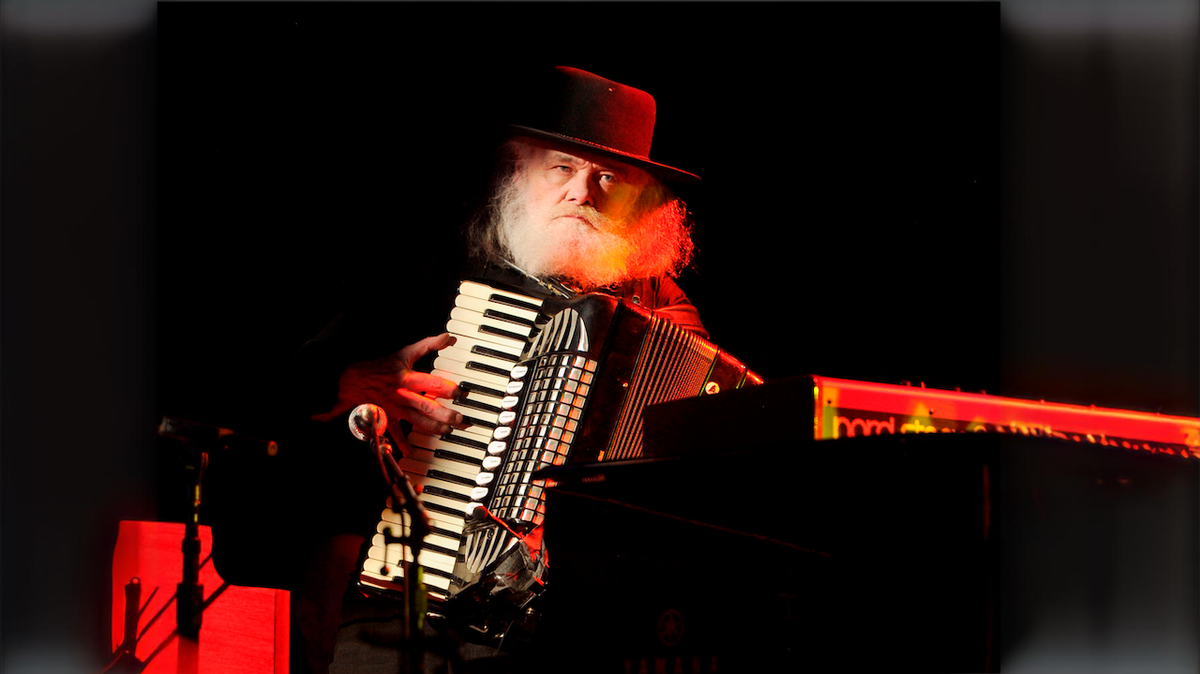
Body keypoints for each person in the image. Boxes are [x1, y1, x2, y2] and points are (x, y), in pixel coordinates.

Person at [282, 66, 712, 673]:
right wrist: (352, 380)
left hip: (579, 623)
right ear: (518, 167)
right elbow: (284, 382)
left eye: (607, 177)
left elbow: (702, 441)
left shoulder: (659, 304)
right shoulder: (440, 270)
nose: (581, 192)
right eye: (562, 167)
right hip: (409, 602)